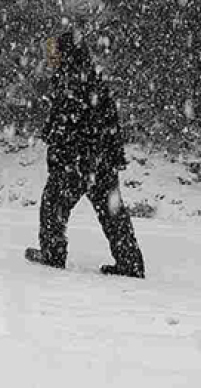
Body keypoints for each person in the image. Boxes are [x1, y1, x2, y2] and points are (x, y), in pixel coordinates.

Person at [25, 30, 146, 278]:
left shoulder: (70, 80)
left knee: (53, 206)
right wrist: (110, 156)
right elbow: (106, 118)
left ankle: (53, 254)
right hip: (100, 160)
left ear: (65, 53)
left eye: (54, 52)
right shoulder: (91, 77)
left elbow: (65, 123)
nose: (50, 58)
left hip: (77, 160)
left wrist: (57, 144)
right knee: (113, 212)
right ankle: (130, 263)